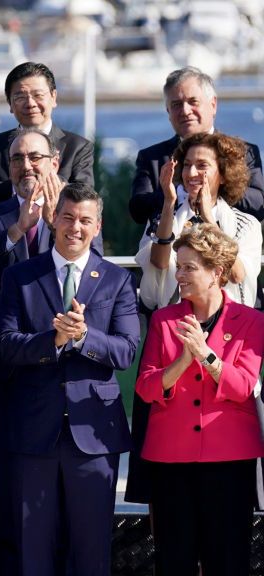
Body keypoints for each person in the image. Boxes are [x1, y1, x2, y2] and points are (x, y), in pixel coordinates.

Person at [0, 183, 139, 576]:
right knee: (34, 552)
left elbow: (126, 351)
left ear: (98, 225)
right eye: (69, 217)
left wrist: (83, 336)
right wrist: (53, 340)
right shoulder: (20, 277)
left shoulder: (117, 280)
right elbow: (4, 345)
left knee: (91, 553)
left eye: (85, 220)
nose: (76, 227)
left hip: (94, 435)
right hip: (33, 432)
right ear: (54, 218)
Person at [135, 224, 264, 574]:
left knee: (228, 559)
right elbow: (146, 388)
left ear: (216, 273)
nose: (179, 274)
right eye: (179, 266)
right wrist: (182, 361)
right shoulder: (164, 321)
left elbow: (242, 386)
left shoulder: (251, 321)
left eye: (190, 267)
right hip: (171, 460)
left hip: (230, 459)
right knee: (173, 560)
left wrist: (207, 355)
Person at [136, 132, 261, 310]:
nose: (192, 173)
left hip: (226, 324)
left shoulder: (246, 224)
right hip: (174, 320)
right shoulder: (162, 217)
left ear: (224, 174)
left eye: (202, 165)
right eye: (187, 165)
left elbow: (237, 275)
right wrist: (169, 203)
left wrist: (209, 219)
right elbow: (158, 263)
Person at [129, 66, 264, 224]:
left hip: (230, 243)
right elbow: (138, 210)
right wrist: (178, 193)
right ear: (168, 112)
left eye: (193, 102)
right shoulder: (152, 158)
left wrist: (211, 188)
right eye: (177, 105)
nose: (185, 111)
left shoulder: (243, 152)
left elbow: (258, 204)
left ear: (213, 105)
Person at [0, 62, 93, 213]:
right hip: (7, 233)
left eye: (38, 95)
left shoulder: (77, 146)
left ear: (53, 97)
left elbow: (85, 198)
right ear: (10, 104)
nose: (30, 103)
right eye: (20, 97)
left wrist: (48, 183)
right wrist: (18, 184)